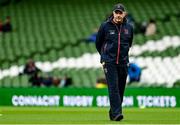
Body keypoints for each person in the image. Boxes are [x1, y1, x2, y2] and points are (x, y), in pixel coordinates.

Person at [96, 3, 133, 121]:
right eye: (116, 12)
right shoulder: (105, 26)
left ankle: (113, 113)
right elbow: (98, 43)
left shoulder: (129, 28)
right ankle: (117, 113)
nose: (118, 15)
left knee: (121, 88)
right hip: (109, 62)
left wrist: (124, 56)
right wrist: (104, 57)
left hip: (123, 62)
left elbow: (129, 43)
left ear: (124, 14)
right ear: (113, 13)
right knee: (113, 88)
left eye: (120, 13)